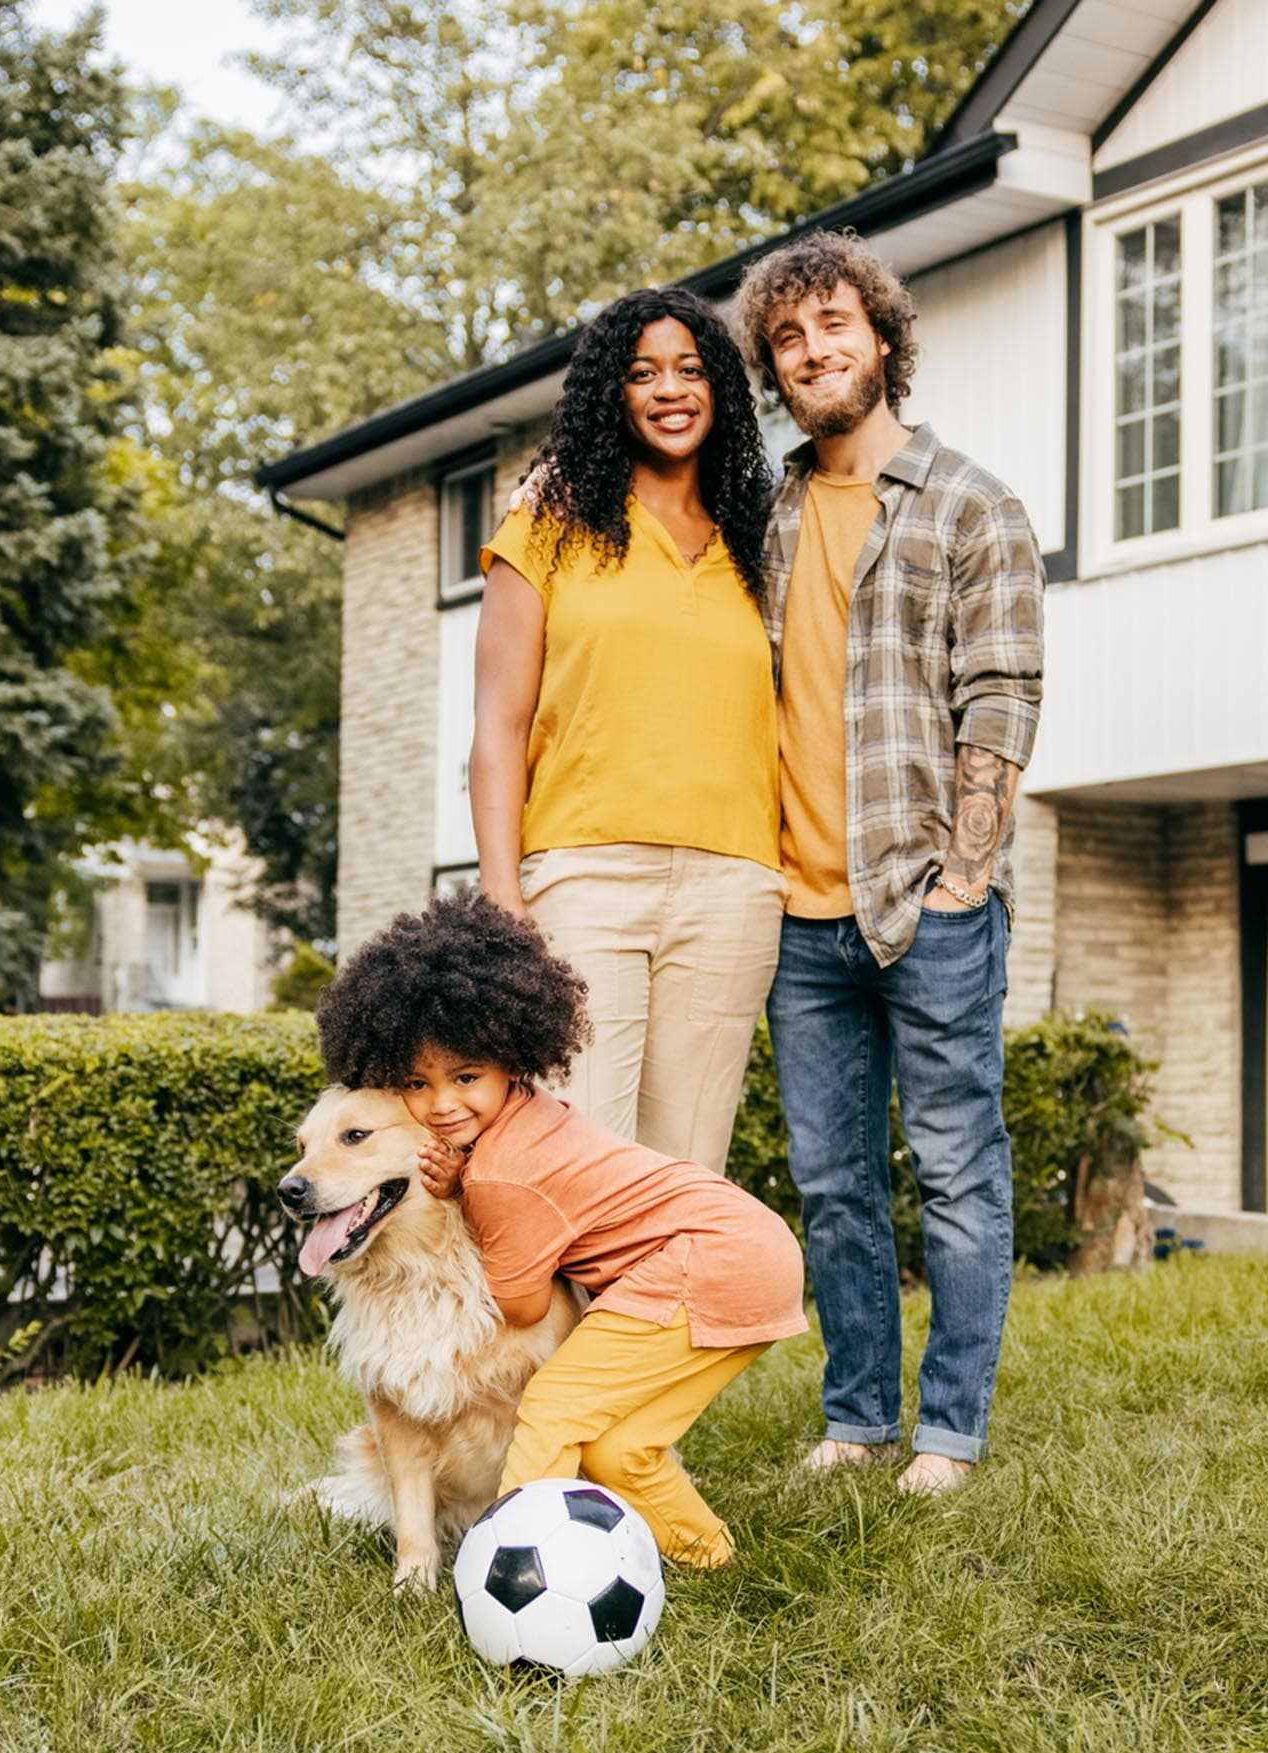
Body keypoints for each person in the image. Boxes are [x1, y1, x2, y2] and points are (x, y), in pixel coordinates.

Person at [733, 230, 1046, 1498]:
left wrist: (962, 879)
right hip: (794, 917)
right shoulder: (764, 514)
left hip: (927, 902)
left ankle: (949, 1431)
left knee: (961, 1172)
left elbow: (1002, 696)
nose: (815, 352)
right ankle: (857, 1413)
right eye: (790, 339)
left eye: (834, 326)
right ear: (776, 366)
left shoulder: (971, 503)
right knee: (834, 1185)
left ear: (882, 337)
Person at [316, 895, 808, 1566]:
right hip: (757, 1251)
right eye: (416, 1084)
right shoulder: (535, 1114)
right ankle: (711, 1559)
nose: (442, 1104)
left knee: (553, 1403)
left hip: (704, 1260)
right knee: (619, 1448)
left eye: (465, 1077)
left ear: (513, 1057)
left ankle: (516, 1560)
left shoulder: (502, 1178)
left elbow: (520, 1307)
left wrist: (469, 1194)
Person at [470, 287, 784, 1176]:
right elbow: (498, 724)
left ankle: (656, 1326)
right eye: (642, 374)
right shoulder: (551, 521)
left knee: (685, 1177)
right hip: (585, 879)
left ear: (721, 388)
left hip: (733, 887)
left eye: (690, 369)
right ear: (613, 394)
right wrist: (503, 894)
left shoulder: (758, 539)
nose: (669, 390)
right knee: (574, 1166)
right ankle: (565, 1327)